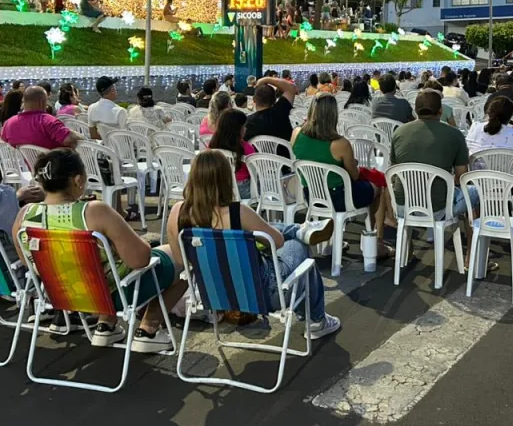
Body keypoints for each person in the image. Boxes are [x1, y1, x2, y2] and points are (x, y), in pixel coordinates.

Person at [14, 149, 186, 352]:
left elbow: (29, 262)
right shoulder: (94, 212)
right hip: (110, 297)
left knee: (102, 267)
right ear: (78, 180)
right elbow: (140, 260)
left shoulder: (25, 215)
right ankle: (149, 329)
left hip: (62, 296)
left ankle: (106, 327)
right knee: (184, 261)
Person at [166, 150, 340, 338]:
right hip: (263, 294)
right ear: (225, 178)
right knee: (299, 246)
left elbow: (181, 260)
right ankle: (316, 320)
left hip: (215, 296)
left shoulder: (178, 212)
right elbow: (278, 242)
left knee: (263, 232)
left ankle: (298, 229)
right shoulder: (237, 212)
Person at [291, 94, 393, 254]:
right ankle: (375, 242)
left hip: (311, 195)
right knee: (378, 187)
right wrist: (352, 164)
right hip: (338, 197)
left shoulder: (296, 133)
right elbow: (354, 175)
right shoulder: (340, 144)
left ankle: (343, 239)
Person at [389, 90, 479, 254]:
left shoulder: (399, 132)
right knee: (473, 192)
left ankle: (406, 250)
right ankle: (472, 256)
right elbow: (462, 176)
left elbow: (394, 170)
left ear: (416, 110)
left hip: (402, 205)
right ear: (440, 111)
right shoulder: (454, 134)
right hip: (437, 208)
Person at [1, 86, 82, 150]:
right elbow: (69, 140)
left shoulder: (9, 123)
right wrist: (83, 137)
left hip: (24, 168)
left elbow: (4, 142)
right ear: (42, 101)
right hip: (51, 166)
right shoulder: (48, 121)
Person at [208, 109, 256, 199]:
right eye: (244, 126)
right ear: (238, 129)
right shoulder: (246, 148)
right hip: (242, 189)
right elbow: (254, 171)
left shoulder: (213, 144)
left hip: (220, 188)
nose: (246, 129)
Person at [245, 76, 298, 144]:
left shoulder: (247, 123)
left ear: (254, 100)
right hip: (286, 154)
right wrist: (266, 79)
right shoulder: (281, 111)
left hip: (258, 155)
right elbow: (291, 87)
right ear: (275, 100)